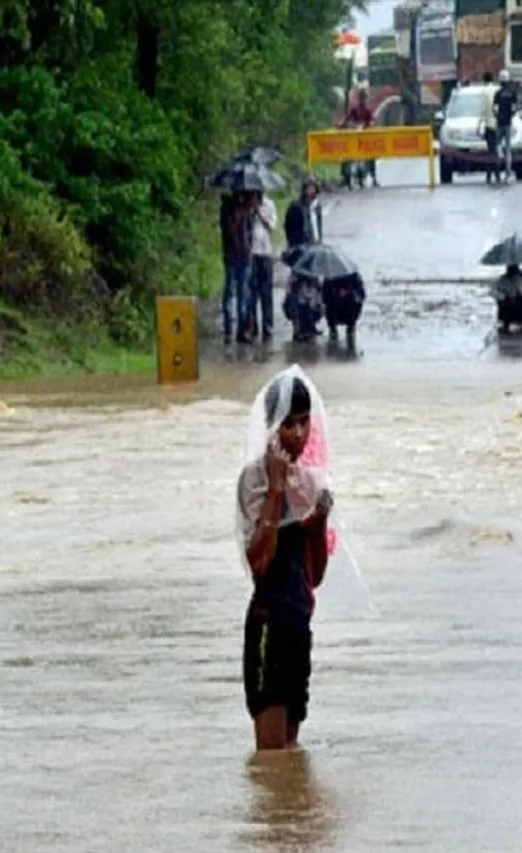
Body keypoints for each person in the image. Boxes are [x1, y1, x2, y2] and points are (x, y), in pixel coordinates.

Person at [237, 373, 334, 751]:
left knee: (290, 758)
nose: (298, 433)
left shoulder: (311, 483)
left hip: (298, 627)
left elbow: (316, 576)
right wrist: (277, 488)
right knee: (270, 756)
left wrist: (318, 522)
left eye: (304, 421)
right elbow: (259, 563)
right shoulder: (254, 480)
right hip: (269, 626)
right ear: (271, 427)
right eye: (288, 423)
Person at [282, 178, 325, 341]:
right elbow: (289, 228)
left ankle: (311, 323)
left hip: (314, 251)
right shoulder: (296, 207)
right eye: (308, 188)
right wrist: (295, 247)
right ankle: (298, 326)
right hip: (300, 252)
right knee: (298, 291)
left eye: (313, 188)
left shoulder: (317, 208)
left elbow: (318, 229)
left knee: (313, 290)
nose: (311, 191)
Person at [220, 193, 254, 343]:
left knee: (244, 293)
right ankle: (228, 329)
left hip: (245, 256)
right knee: (230, 291)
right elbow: (228, 231)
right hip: (231, 255)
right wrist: (239, 215)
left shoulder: (247, 209)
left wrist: (249, 248)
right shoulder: (226, 208)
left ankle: (242, 330)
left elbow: (250, 231)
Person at [248, 191, 278, 341]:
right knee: (251, 292)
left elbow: (272, 227)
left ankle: (268, 325)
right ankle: (252, 326)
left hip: (265, 252)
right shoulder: (246, 204)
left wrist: (259, 213)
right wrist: (251, 212)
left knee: (266, 292)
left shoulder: (269, 204)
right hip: (251, 253)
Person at [341, 88, 378, 188]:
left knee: (371, 155)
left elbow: (372, 121)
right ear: (359, 98)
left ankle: (374, 178)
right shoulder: (355, 109)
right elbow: (347, 119)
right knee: (346, 155)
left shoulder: (368, 110)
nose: (363, 100)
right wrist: (344, 125)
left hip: (365, 139)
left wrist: (370, 124)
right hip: (354, 138)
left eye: (364, 98)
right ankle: (344, 178)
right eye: (362, 97)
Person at [492, 70, 519, 183]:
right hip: (508, 123)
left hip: (499, 123)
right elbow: (514, 108)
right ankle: (507, 172)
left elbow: (494, 109)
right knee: (508, 148)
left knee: (497, 146)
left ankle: (497, 171)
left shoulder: (497, 94)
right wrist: (510, 116)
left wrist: (498, 117)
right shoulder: (513, 93)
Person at [492, 263, 522, 333]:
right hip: (512, 301)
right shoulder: (521, 278)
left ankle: (507, 324)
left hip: (510, 302)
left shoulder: (504, 278)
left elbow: (497, 290)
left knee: (518, 299)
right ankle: (520, 322)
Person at [481, 72, 498, 184]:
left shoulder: (483, 92)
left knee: (490, 150)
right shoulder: (497, 89)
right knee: (495, 149)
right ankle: (495, 173)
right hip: (499, 123)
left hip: (488, 124)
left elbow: (482, 110)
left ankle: (491, 174)